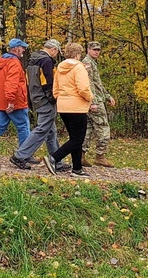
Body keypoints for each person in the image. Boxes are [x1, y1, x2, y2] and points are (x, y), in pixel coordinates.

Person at [9, 39, 66, 171]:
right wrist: (53, 99)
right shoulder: (46, 61)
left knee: (51, 132)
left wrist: (30, 100)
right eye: (57, 52)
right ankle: (20, 155)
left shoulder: (32, 60)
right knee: (42, 129)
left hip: (36, 98)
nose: (56, 55)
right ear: (53, 49)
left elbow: (28, 83)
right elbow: (48, 83)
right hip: (45, 100)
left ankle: (57, 161)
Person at [43, 42, 93, 179]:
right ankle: (53, 158)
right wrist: (90, 98)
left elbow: (55, 89)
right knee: (78, 139)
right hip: (77, 107)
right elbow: (83, 88)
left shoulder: (60, 67)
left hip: (63, 107)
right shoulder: (79, 68)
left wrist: (62, 99)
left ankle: (77, 169)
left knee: (74, 138)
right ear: (78, 54)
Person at [83, 41, 116, 168]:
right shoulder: (88, 64)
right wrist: (93, 102)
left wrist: (107, 96)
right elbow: (88, 84)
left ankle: (81, 155)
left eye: (98, 50)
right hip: (94, 102)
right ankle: (100, 156)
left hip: (96, 99)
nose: (97, 52)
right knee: (103, 127)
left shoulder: (92, 63)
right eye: (94, 49)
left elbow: (98, 84)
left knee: (89, 129)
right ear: (88, 49)